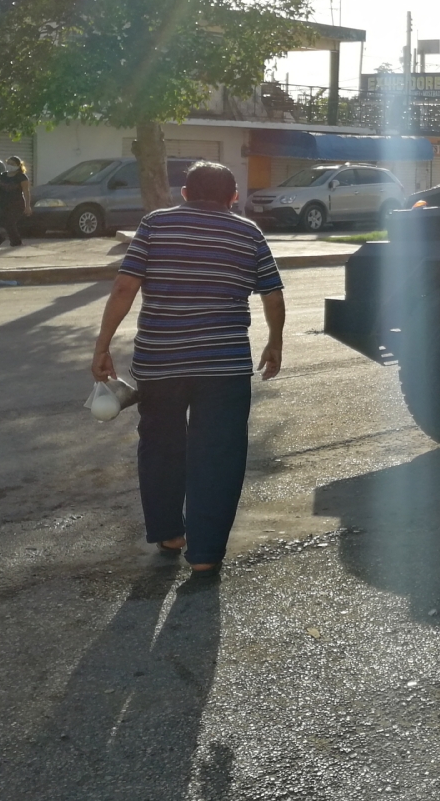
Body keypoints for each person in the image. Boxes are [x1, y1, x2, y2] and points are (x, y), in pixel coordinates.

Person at [91, 161, 285, 575]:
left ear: (184, 193)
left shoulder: (155, 224)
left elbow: (125, 285)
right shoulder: (249, 232)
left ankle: (170, 534)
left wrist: (102, 346)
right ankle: (206, 554)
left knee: (161, 446)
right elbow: (272, 293)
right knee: (219, 454)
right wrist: (275, 342)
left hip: (160, 363)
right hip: (225, 366)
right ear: (233, 196)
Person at [0, 156, 32, 247]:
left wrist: (28, 206)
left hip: (17, 203)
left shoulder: (21, 177)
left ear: (18, 166)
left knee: (10, 222)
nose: (10, 166)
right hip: (3, 203)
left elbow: (26, 192)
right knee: (2, 221)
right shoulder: (3, 175)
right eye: (9, 163)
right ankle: (13, 240)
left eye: (13, 164)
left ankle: (16, 242)